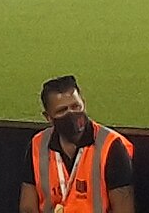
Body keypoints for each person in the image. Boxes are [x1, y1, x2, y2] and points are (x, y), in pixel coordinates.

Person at [20, 75, 134, 213]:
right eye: (62, 110)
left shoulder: (111, 145)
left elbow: (124, 208)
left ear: (84, 104)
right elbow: (28, 207)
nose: (71, 114)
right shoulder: (38, 145)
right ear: (48, 117)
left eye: (75, 106)